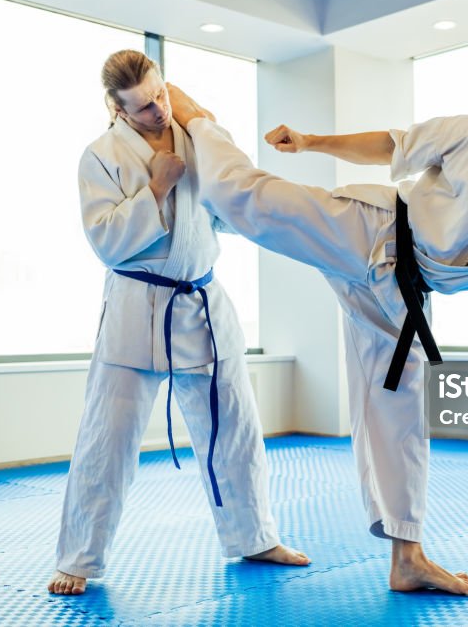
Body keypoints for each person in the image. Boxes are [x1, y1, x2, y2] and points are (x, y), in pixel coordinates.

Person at [165, 65, 468, 597]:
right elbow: (394, 146)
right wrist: (310, 141)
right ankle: (202, 126)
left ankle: (408, 559)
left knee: (402, 402)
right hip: (369, 230)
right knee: (249, 200)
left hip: (403, 294)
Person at [48, 49, 309, 596]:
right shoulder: (99, 157)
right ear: (115, 108)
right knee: (107, 439)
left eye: (161, 96)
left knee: (235, 428)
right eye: (142, 107)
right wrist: (158, 188)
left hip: (202, 302)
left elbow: (230, 211)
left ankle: (255, 537)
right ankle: (78, 556)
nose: (158, 112)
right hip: (135, 308)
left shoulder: (195, 142)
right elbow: (106, 241)